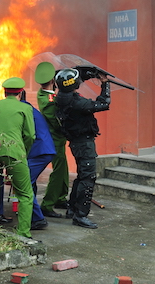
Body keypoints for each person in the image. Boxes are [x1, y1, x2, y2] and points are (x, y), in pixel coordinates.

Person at [0, 77, 36, 238]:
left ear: (4, 92)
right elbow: (30, 135)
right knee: (25, 195)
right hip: (15, 153)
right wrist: (24, 152)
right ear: (20, 93)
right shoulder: (25, 108)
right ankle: (23, 233)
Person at [55, 67, 110, 229]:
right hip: (84, 144)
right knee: (88, 178)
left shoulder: (62, 96)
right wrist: (105, 83)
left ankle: (72, 209)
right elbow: (103, 103)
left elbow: (71, 82)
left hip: (76, 142)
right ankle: (81, 215)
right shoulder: (77, 103)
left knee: (81, 176)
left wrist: (88, 75)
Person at [36, 62, 70, 219]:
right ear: (52, 81)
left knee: (63, 168)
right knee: (58, 172)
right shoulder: (48, 100)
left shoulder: (45, 94)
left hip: (58, 139)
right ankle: (47, 204)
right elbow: (57, 121)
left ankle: (60, 198)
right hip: (54, 139)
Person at [21, 88, 56, 231]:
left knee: (24, 183)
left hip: (39, 151)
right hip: (43, 150)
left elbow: (27, 135)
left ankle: (38, 219)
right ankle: (30, 213)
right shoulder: (29, 108)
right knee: (30, 181)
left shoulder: (23, 110)